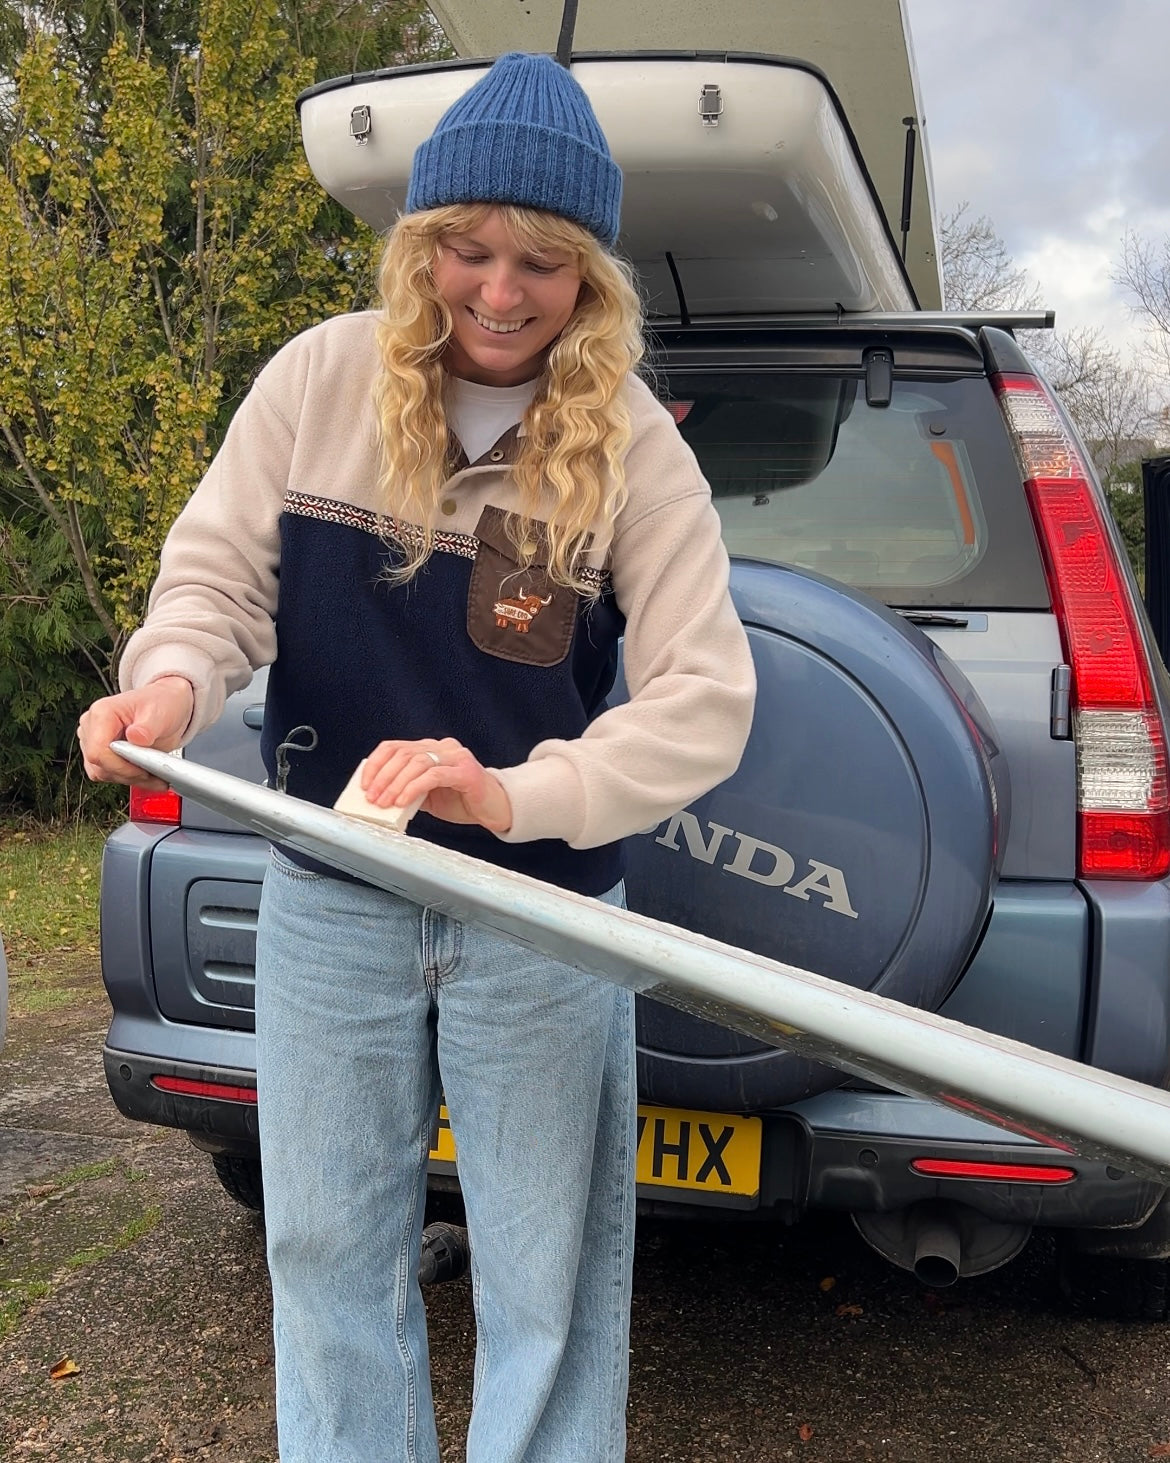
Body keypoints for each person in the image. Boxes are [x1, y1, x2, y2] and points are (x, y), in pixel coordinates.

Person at [78, 51, 756, 1463]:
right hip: (332, 897)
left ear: (591, 280)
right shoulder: (320, 375)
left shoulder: (632, 442)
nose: (499, 294)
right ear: (418, 247)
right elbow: (214, 582)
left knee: (547, 1279)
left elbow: (703, 700)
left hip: (543, 919)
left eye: (542, 264)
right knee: (324, 1248)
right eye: (467, 249)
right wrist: (168, 681)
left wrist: (512, 794)